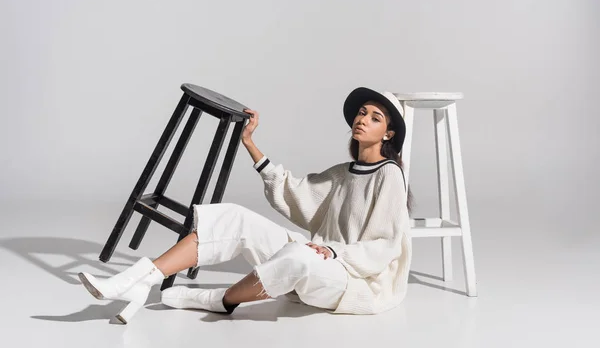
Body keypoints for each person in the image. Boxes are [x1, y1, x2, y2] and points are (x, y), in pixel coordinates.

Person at [78, 87, 413, 324]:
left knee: (298, 255)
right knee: (235, 217)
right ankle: (137, 280)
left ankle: (219, 300)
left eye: (375, 117)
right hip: (316, 260)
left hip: (352, 281)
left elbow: (385, 246)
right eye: (362, 112)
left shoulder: (390, 177)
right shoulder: (343, 173)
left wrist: (336, 253)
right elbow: (295, 192)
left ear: (388, 133)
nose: (363, 119)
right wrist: (249, 142)